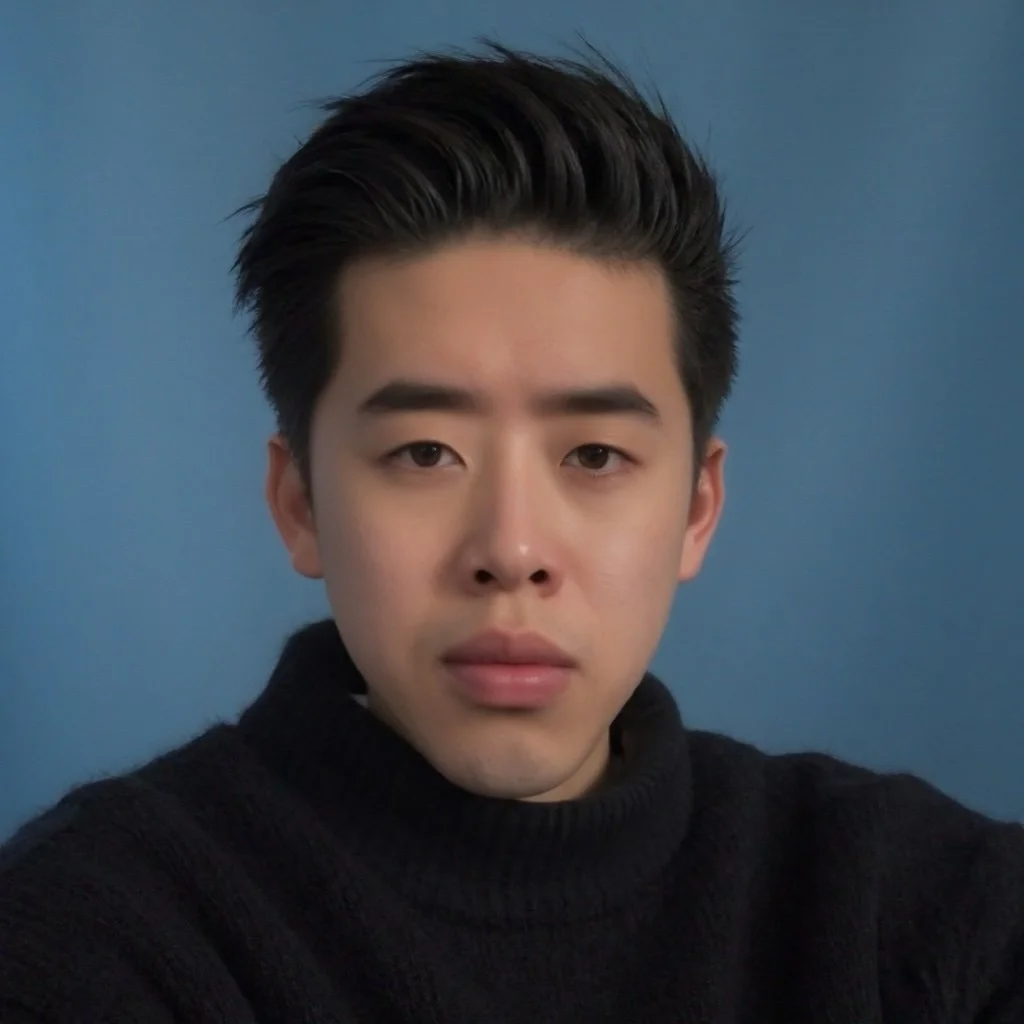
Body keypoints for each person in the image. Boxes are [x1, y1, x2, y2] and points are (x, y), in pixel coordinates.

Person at [1, 40, 1021, 1024]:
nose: (511, 548)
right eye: (424, 452)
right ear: (300, 504)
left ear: (695, 511)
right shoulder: (90, 934)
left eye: (593, 456)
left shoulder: (928, 909)